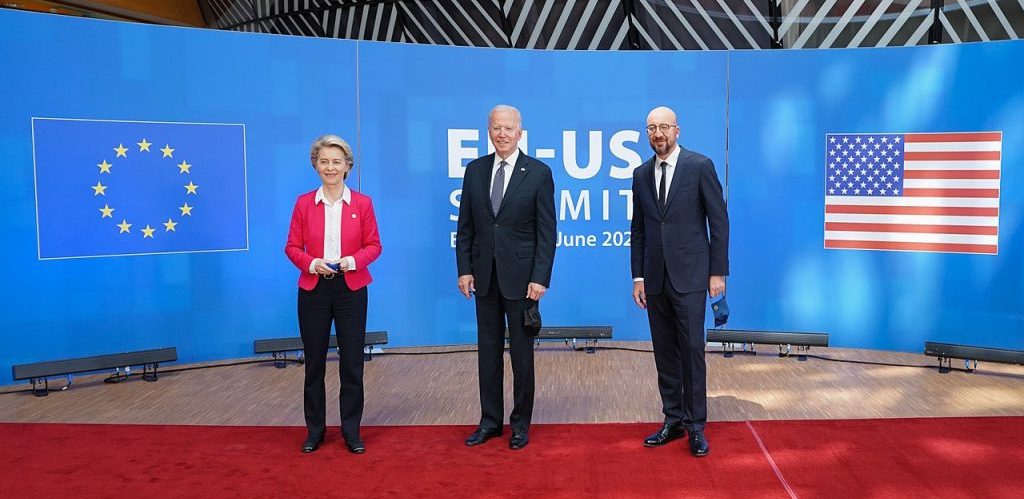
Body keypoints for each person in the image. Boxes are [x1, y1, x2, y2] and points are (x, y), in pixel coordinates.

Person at [455, 105, 556, 450]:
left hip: (523, 279)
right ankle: (489, 421)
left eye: (508, 128)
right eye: (496, 128)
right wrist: (464, 269)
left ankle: (520, 424)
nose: (502, 134)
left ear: (520, 133)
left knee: (522, 356)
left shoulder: (539, 173)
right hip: (484, 277)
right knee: (488, 352)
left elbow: (547, 232)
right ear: (489, 130)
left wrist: (540, 277)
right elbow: (465, 227)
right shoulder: (475, 171)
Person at [630, 106, 729, 457]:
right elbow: (638, 230)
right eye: (651, 128)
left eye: (664, 127)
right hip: (655, 280)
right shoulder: (641, 174)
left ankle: (696, 427)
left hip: (690, 278)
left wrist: (717, 273)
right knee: (665, 355)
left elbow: (719, 223)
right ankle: (672, 419)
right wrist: (638, 276)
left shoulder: (699, 166)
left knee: (691, 353)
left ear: (677, 130)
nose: (658, 134)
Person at [285, 134, 382, 455]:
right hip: (313, 290)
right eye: (324, 161)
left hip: (351, 289)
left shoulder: (363, 203)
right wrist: (312, 264)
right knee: (314, 363)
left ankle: (351, 431)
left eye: (336, 162)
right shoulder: (302, 203)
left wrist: (351, 261)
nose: (330, 167)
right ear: (315, 165)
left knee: (352, 363)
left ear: (348, 167)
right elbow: (291, 247)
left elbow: (374, 246)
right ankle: (315, 431)